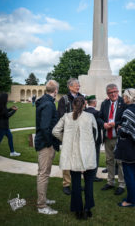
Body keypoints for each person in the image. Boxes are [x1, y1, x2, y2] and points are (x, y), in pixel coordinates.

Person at [52, 97, 97, 220]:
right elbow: (96, 134)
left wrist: (65, 140)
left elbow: (55, 131)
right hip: (88, 154)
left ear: (73, 105)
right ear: (85, 104)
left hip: (74, 155)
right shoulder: (89, 117)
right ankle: (87, 209)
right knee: (88, 183)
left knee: (76, 184)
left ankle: (78, 210)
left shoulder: (67, 116)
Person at [35, 80, 60, 215]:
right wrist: (50, 143)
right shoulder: (48, 104)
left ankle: (43, 198)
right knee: (43, 174)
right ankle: (41, 205)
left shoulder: (45, 101)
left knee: (44, 172)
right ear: (55, 90)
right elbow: (45, 127)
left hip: (45, 142)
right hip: (46, 144)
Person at [98, 83, 126, 195]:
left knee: (120, 161)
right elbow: (99, 117)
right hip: (107, 137)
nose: (113, 94)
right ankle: (110, 182)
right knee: (109, 160)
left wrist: (116, 123)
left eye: (115, 91)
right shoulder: (104, 103)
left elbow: (125, 118)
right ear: (107, 94)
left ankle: (121, 184)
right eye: (111, 92)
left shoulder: (123, 102)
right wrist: (103, 124)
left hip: (118, 136)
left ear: (118, 91)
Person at [58, 78, 84, 195]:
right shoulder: (63, 99)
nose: (78, 87)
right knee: (68, 159)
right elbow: (61, 116)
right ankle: (66, 184)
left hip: (80, 133)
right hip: (68, 133)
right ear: (70, 87)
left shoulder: (82, 97)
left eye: (79, 85)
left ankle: (77, 183)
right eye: (76, 85)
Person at [85, 95, 102, 182]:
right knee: (95, 157)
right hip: (95, 139)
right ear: (94, 103)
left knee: (87, 157)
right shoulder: (96, 113)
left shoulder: (84, 112)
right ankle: (93, 175)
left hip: (86, 139)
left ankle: (87, 173)